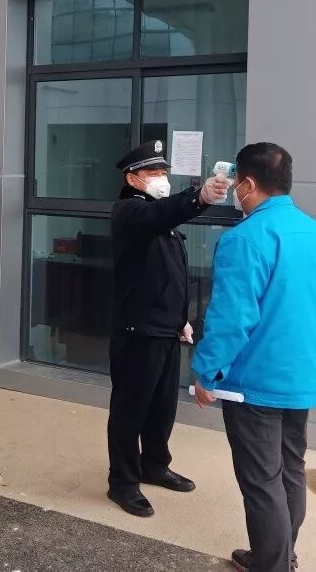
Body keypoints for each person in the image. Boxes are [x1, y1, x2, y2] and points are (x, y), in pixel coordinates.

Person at [192, 143, 316, 572]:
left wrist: (206, 372)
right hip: (301, 375)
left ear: (248, 183)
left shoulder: (244, 238)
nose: (235, 190)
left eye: (237, 182)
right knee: (290, 469)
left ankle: (272, 564)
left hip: (254, 382)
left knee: (261, 481)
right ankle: (280, 555)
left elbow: (231, 318)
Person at [108, 140, 229, 517]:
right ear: (133, 179)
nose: (161, 178)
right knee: (130, 409)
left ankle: (155, 465)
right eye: (153, 173)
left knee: (161, 408)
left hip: (165, 329)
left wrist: (182, 320)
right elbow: (159, 215)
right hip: (137, 331)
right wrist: (199, 197)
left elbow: (170, 275)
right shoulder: (130, 212)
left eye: (164, 172)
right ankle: (123, 482)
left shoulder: (160, 220)